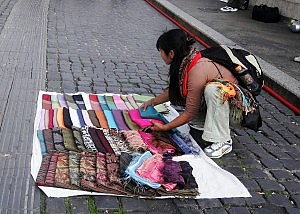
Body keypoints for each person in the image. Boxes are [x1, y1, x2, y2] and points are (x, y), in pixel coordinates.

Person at [141, 29, 240, 159]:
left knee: (213, 90)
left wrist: (165, 127)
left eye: (160, 51)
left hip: (236, 110)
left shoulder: (197, 68)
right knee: (201, 97)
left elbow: (190, 112)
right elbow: (174, 91)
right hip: (220, 104)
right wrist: (152, 102)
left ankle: (223, 140)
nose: (160, 54)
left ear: (171, 53)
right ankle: (205, 122)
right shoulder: (185, 62)